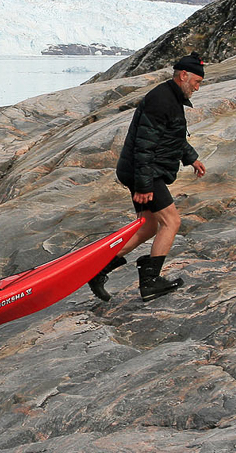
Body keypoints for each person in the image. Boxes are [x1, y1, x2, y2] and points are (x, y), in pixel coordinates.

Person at [89, 53, 207, 302]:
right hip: (144, 171)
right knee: (172, 222)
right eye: (196, 81)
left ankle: (99, 270)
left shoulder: (170, 98)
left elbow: (171, 137)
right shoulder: (161, 100)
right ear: (183, 75)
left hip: (143, 171)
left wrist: (191, 158)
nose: (197, 87)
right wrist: (143, 185)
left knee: (149, 226)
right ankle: (151, 280)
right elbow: (144, 145)